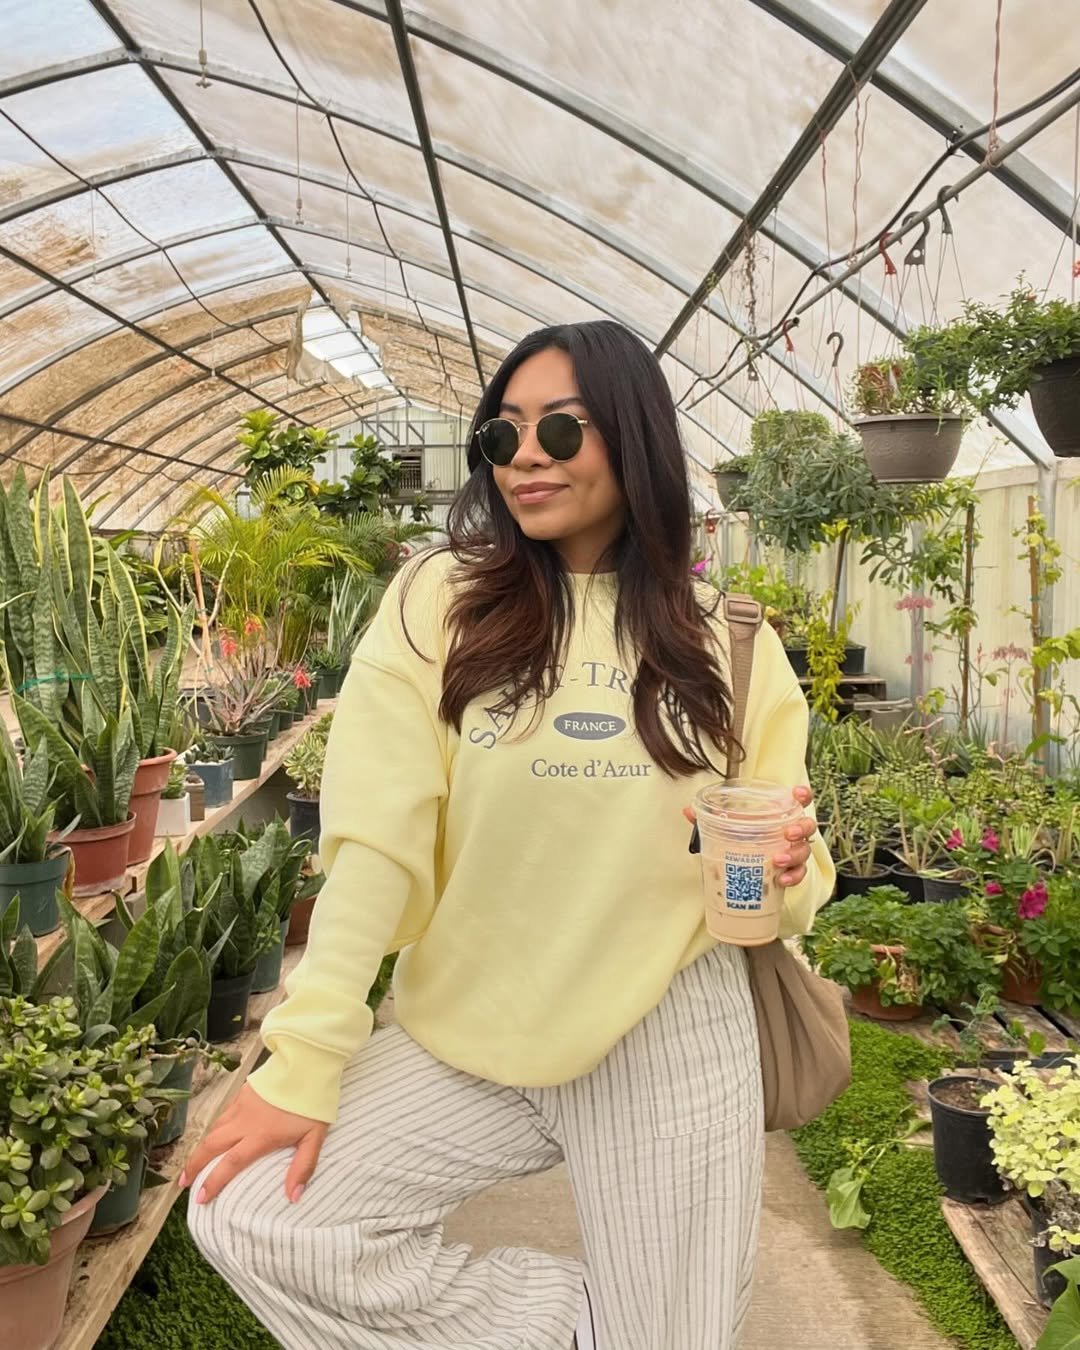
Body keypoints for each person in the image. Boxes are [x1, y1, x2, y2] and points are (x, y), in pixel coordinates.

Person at [185, 320, 834, 1350]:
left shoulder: (727, 640)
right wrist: (301, 1060)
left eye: (563, 431)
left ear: (635, 439)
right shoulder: (438, 605)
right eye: (504, 434)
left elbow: (785, 885)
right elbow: (375, 848)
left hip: (670, 1029)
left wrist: (787, 872)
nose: (526, 455)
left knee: (673, 1336)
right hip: (475, 1030)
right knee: (256, 1212)